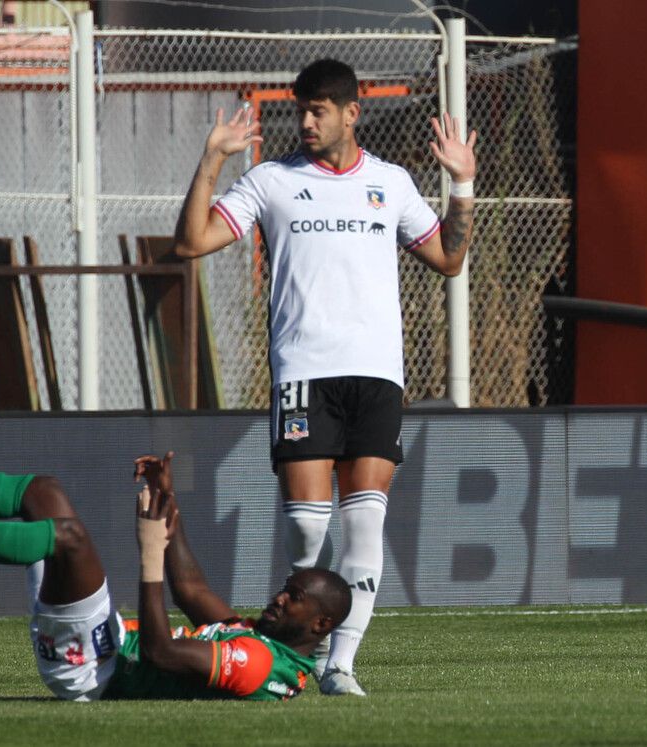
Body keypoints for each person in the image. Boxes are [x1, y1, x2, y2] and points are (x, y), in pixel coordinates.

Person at [172, 59, 478, 696]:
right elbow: (192, 242)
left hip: (375, 377)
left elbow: (448, 258)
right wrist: (211, 161)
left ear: (351, 114)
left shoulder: (390, 184)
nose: (306, 122)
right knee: (311, 528)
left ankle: (341, 664)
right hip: (305, 376)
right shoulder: (271, 181)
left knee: (365, 525)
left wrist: (463, 185)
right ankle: (298, 658)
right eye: (301, 110)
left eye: (319, 111)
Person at [0, 397, 352, 701]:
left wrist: (150, 553)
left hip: (92, 669)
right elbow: (192, 588)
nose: (280, 597)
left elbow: (161, 651)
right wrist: (166, 502)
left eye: (295, 597)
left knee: (69, 538)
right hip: (100, 641)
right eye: (288, 588)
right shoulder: (257, 637)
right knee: (44, 491)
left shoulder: (263, 665)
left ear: (320, 626)